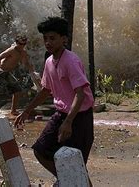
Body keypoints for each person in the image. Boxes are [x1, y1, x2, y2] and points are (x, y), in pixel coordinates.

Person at [14, 17, 94, 181]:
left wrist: (69, 122)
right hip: (60, 114)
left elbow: (80, 94)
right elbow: (45, 91)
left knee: (77, 164)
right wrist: (26, 111)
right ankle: (69, 180)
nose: (48, 42)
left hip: (79, 117)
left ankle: (73, 180)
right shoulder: (49, 61)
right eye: (45, 39)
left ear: (63, 39)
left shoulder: (71, 61)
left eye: (52, 38)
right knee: (40, 150)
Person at [0, 34, 37, 124]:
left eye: (24, 44)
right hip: (0, 71)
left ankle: (13, 110)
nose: (22, 46)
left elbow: (26, 63)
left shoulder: (23, 52)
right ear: (16, 43)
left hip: (10, 73)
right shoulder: (12, 49)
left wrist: (32, 70)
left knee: (17, 91)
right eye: (20, 44)